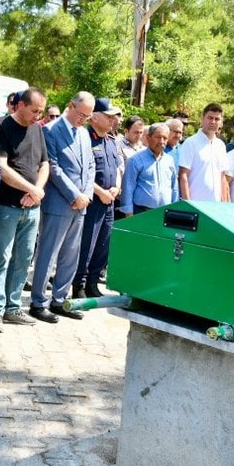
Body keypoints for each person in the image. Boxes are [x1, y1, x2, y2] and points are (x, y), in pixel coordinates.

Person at [0, 87, 48, 333]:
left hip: (33, 208)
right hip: (6, 207)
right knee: (0, 258)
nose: (37, 116)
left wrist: (36, 191)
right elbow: (1, 168)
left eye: (41, 112)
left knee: (23, 259)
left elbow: (44, 164)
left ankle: (13, 307)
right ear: (20, 105)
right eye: (34, 111)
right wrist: (32, 189)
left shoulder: (38, 129)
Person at [30, 92, 97, 323]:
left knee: (70, 255)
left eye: (88, 116)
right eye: (81, 114)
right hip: (59, 202)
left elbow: (90, 166)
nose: (83, 120)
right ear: (70, 106)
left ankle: (59, 300)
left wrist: (86, 194)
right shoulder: (50, 130)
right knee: (48, 254)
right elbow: (54, 168)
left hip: (81, 205)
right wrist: (74, 194)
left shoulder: (84, 134)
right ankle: (38, 302)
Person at [74, 98, 123, 299]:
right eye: (108, 115)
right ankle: (78, 285)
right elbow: (82, 173)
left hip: (109, 202)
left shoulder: (110, 141)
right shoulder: (85, 139)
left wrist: (117, 187)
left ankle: (93, 283)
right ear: (94, 117)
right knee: (87, 245)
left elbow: (118, 168)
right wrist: (100, 192)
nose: (113, 119)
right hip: (93, 201)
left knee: (103, 245)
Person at [120, 124, 178, 214]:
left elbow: (174, 187)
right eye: (158, 137)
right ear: (148, 138)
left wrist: (175, 211)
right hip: (141, 212)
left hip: (165, 213)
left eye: (165, 138)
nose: (161, 141)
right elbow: (128, 188)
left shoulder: (169, 160)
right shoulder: (136, 160)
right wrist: (128, 213)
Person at [177, 103, 229, 202]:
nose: (213, 122)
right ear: (202, 118)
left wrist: (224, 203)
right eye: (210, 118)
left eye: (217, 119)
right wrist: (188, 203)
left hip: (216, 205)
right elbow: (183, 175)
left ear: (221, 122)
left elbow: (222, 176)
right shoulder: (191, 143)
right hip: (196, 204)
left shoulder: (221, 145)